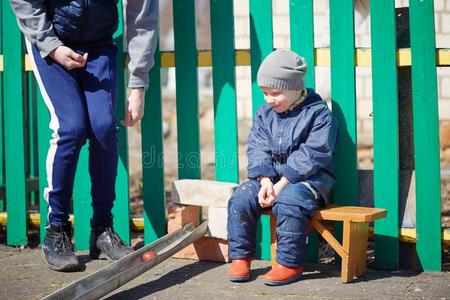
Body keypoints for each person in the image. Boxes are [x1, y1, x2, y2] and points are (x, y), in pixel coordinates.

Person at [9, 0, 158, 271]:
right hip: (51, 38)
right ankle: (57, 229)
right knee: (71, 128)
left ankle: (102, 228)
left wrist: (138, 83)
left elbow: (142, 15)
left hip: (99, 43)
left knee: (103, 128)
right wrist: (51, 45)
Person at [227, 49, 339, 286]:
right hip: (274, 179)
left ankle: (289, 263)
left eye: (275, 93)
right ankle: (240, 257)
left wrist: (282, 184)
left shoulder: (318, 114)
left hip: (311, 181)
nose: (268, 99)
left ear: (296, 88)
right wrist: (265, 180)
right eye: (264, 93)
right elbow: (257, 147)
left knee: (289, 200)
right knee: (241, 197)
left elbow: (313, 154)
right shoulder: (265, 113)